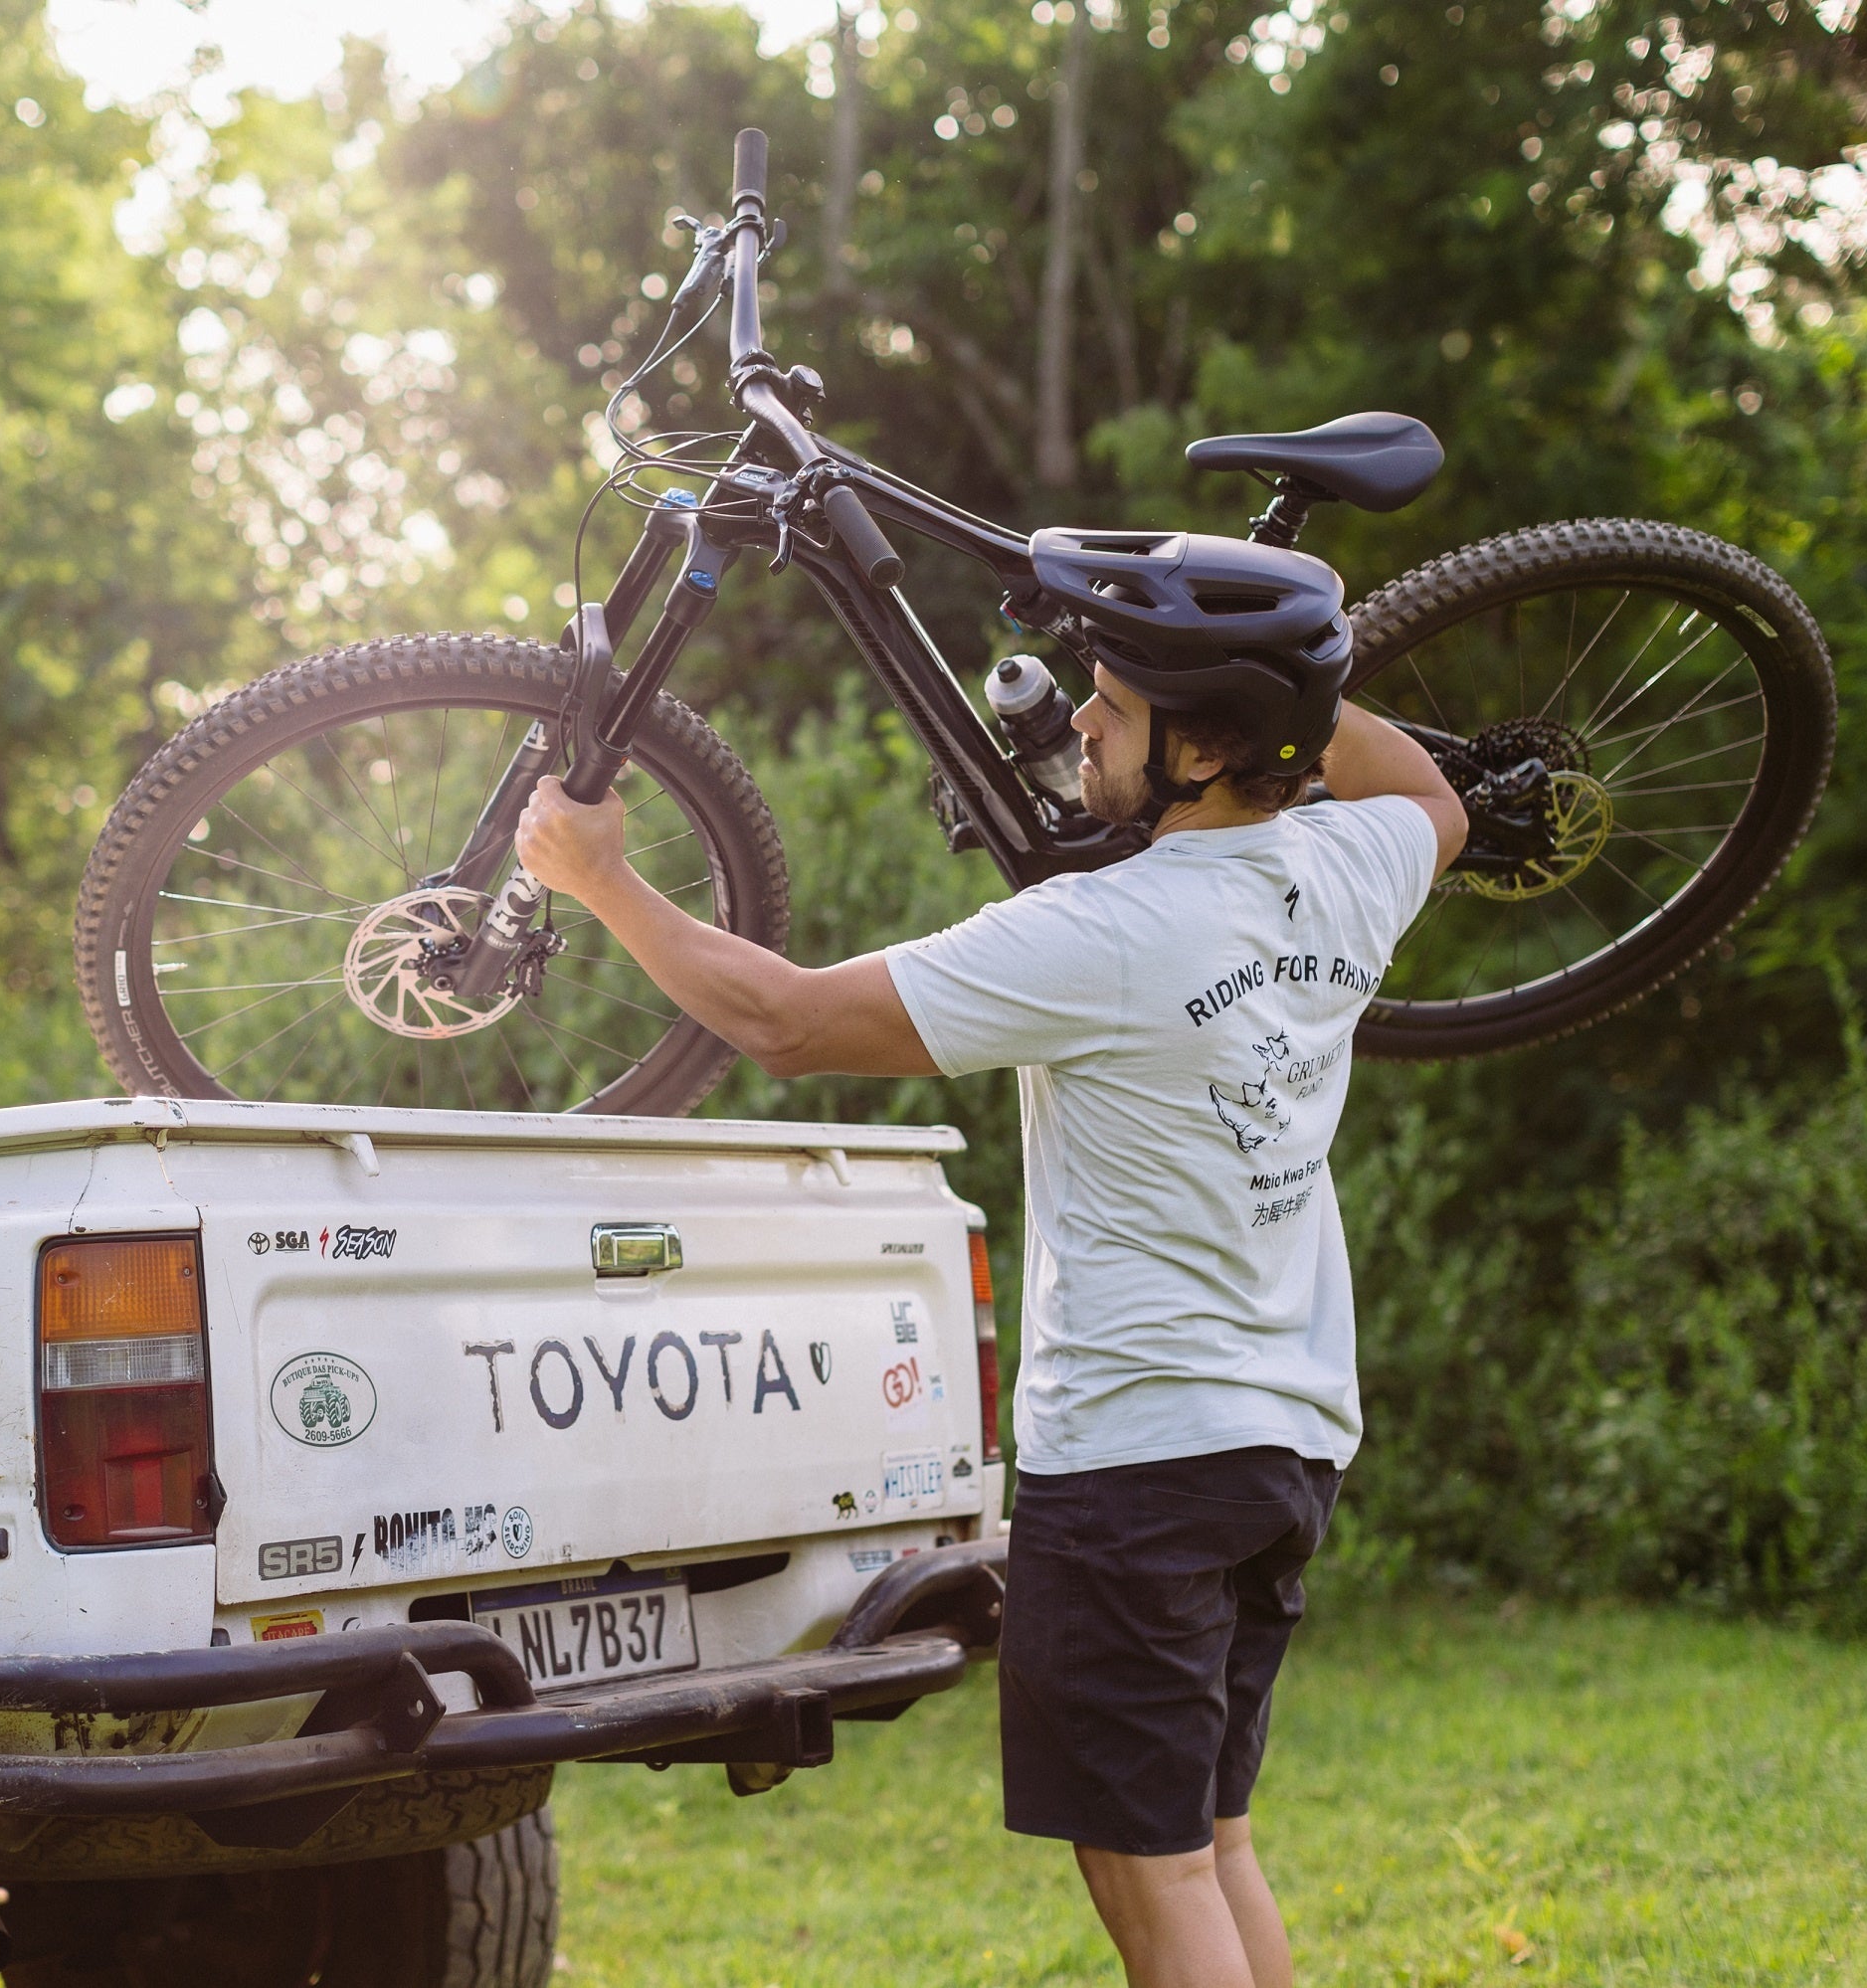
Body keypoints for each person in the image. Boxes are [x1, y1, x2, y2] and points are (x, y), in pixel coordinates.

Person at [513, 652, 1465, 1988]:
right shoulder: (1349, 866)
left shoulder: (1104, 932)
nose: (1082, 722)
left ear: (1203, 748)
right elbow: (1435, 798)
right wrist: (1277, 672)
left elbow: (785, 1022)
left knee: (1152, 1870)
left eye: (1117, 706)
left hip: (1140, 1466)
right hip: (1283, 1449)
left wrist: (602, 877)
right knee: (1210, 1843)